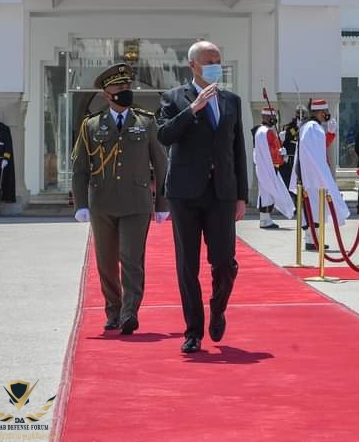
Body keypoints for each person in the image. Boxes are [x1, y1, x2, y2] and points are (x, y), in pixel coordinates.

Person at [156, 41, 249, 354]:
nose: (214, 65)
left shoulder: (231, 100)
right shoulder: (173, 98)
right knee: (188, 265)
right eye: (208, 61)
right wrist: (193, 109)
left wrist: (241, 196)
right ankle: (193, 330)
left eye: (218, 60)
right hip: (185, 193)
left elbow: (238, 150)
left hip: (222, 192)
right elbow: (164, 135)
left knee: (224, 261)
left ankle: (218, 308)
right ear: (192, 66)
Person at [72, 63, 168, 335]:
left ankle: (129, 312)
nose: (125, 90)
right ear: (106, 93)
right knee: (106, 261)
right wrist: (80, 204)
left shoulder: (145, 122)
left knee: (131, 259)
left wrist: (162, 203)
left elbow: (161, 164)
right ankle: (112, 310)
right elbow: (80, 168)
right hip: (102, 202)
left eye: (127, 85)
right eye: (119, 86)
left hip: (136, 202)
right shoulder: (91, 125)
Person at [291, 99, 351, 251]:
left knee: (313, 209)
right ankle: (313, 240)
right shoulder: (313, 128)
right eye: (325, 112)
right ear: (319, 112)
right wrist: (324, 176)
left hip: (311, 176)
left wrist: (330, 134)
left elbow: (319, 147)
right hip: (313, 177)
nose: (327, 115)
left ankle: (312, 239)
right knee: (314, 209)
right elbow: (317, 154)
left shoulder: (309, 127)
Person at [253, 106, 293, 229]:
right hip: (269, 167)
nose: (273, 119)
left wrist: (279, 142)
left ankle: (265, 219)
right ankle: (265, 220)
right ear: (264, 117)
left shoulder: (260, 131)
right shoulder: (268, 132)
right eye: (271, 117)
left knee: (265, 192)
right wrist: (281, 154)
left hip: (264, 167)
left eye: (274, 117)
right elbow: (272, 151)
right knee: (269, 192)